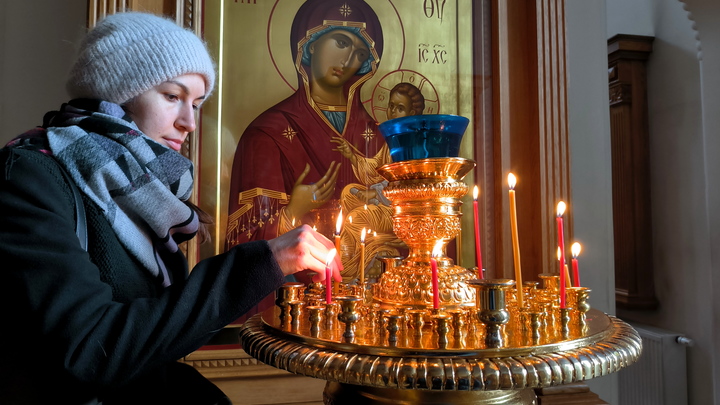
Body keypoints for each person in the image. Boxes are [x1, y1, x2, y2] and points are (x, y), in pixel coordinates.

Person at [0, 12, 341, 405]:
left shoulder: (143, 192)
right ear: (118, 91)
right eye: (173, 96)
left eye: (196, 103)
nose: (189, 123)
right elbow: (91, 350)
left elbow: (155, 335)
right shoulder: (30, 175)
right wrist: (265, 260)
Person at [225, 0, 386, 314]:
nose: (349, 58)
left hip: (373, 309)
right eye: (341, 42)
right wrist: (293, 210)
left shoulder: (379, 137)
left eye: (360, 53)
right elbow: (242, 247)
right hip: (299, 313)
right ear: (308, 45)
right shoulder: (267, 133)